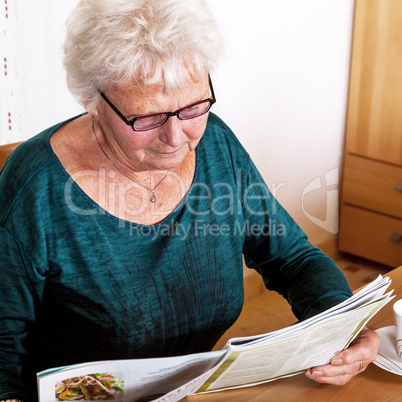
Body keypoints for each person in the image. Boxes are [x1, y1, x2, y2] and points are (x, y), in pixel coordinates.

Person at [0, 0, 380, 400]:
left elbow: (292, 259)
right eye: (147, 118)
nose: (177, 138)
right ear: (91, 100)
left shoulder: (215, 142)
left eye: (194, 107)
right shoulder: (34, 185)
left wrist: (341, 324)